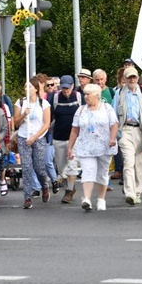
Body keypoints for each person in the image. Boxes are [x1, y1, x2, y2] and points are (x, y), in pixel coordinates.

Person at [67, 83, 119, 211]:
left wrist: (112, 138)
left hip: (104, 146)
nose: (85, 97)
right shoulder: (80, 110)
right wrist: (70, 147)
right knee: (88, 171)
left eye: (88, 94)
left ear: (96, 96)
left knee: (102, 173)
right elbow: (74, 130)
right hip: (86, 146)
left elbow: (114, 125)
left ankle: (101, 199)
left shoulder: (107, 108)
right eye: (84, 94)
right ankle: (87, 199)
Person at [13, 76, 51, 209]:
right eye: (25, 86)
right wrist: (24, 115)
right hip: (23, 137)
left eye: (28, 86)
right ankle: (27, 197)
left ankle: (44, 186)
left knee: (39, 167)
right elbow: (15, 122)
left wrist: (34, 137)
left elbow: (46, 124)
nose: (26, 89)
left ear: (35, 89)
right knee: (27, 167)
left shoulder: (43, 103)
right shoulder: (21, 103)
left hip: (38, 138)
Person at [114, 66, 142, 206]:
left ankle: (137, 192)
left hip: (141, 130)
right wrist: (116, 134)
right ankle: (129, 192)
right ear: (125, 79)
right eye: (129, 77)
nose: (132, 80)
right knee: (129, 161)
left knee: (140, 164)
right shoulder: (119, 93)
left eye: (134, 77)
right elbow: (114, 114)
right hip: (126, 130)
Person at [51, 75, 83, 204]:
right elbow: (51, 115)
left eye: (68, 88)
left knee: (71, 166)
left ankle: (69, 192)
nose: (65, 90)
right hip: (58, 137)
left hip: (75, 138)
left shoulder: (79, 97)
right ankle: (70, 186)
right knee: (62, 168)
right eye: (63, 88)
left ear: (72, 86)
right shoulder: (55, 97)